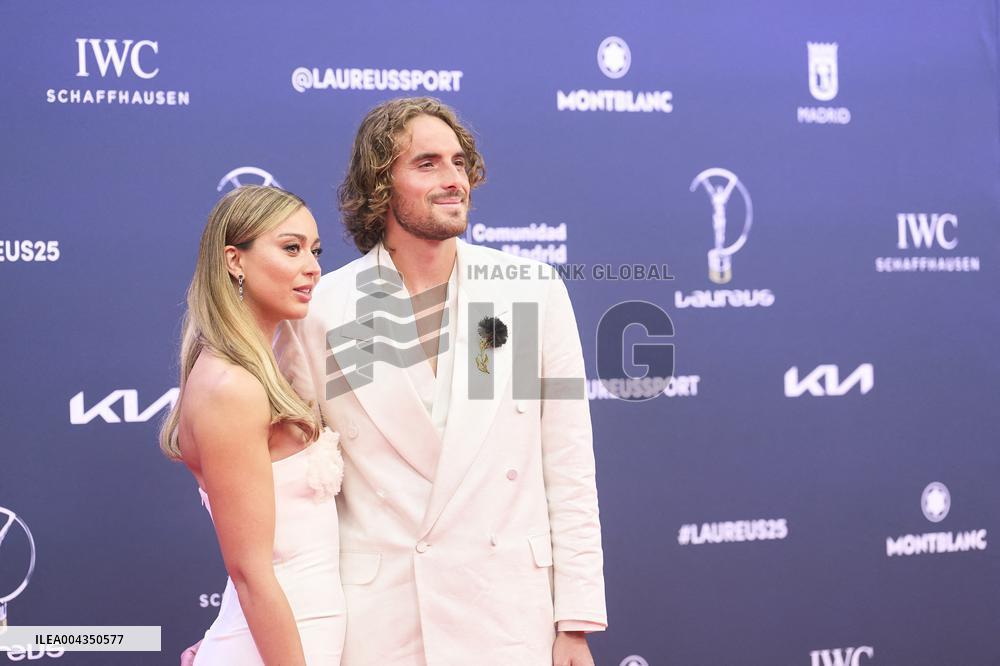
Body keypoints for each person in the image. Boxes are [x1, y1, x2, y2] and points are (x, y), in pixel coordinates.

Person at [276, 97, 607, 665]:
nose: (454, 179)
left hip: (507, 616)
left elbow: (570, 467)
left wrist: (573, 622)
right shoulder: (324, 308)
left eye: (459, 163)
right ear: (381, 184)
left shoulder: (530, 290)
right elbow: (296, 495)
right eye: (427, 164)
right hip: (382, 625)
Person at [163, 185, 346, 665]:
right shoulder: (231, 386)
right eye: (291, 248)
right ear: (234, 260)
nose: (313, 266)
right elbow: (250, 573)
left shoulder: (257, 370)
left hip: (292, 635)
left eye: (314, 250)